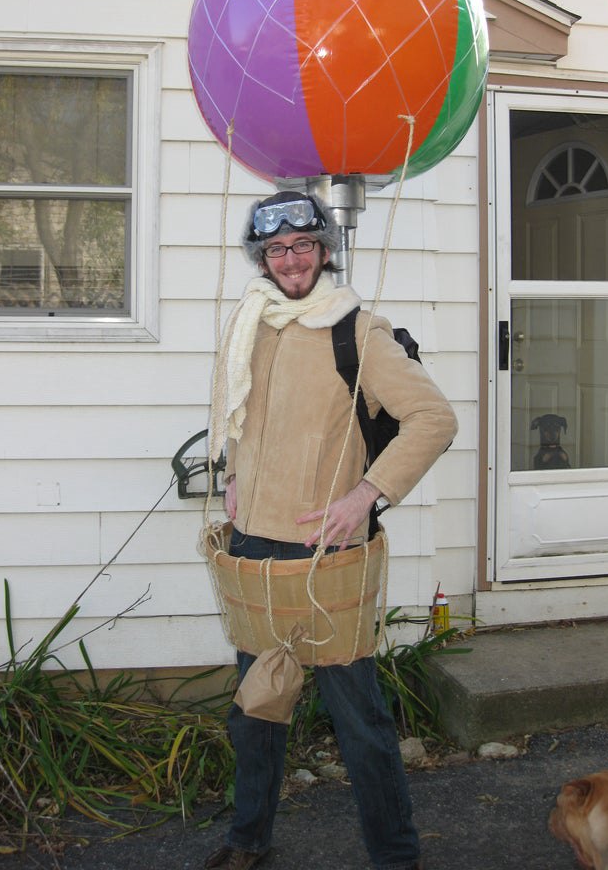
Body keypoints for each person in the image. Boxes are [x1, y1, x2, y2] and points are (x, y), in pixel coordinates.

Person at [205, 190, 458, 870]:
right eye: (277, 249)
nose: (291, 260)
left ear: (323, 251)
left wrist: (367, 494)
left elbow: (433, 419)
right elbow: (244, 418)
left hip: (328, 553)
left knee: (362, 725)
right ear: (265, 256)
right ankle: (247, 839)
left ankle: (396, 856)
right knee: (256, 709)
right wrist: (235, 472)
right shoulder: (251, 326)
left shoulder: (358, 331)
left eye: (304, 246)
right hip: (255, 548)